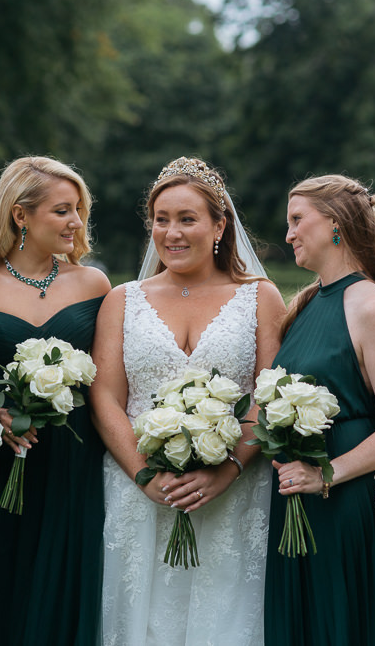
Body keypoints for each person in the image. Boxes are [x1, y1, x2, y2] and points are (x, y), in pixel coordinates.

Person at [91, 156, 286, 646]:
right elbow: (107, 398)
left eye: (187, 219)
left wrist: (228, 470)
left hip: (233, 493)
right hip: (140, 491)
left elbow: (269, 395)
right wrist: (144, 473)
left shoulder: (260, 297)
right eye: (161, 220)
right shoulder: (123, 299)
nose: (171, 233)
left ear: (220, 225)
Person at [0, 156, 111, 645]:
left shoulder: (94, 284)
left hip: (73, 463)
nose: (76, 222)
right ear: (21, 215)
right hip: (3, 461)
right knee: (2, 588)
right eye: (62, 211)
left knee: (66, 586)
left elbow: (104, 382)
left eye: (79, 210)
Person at [265, 175, 375, 645]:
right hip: (295, 496)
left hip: (342, 496)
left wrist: (326, 473)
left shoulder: (369, 304)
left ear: (334, 224)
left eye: (297, 220)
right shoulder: (309, 301)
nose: (289, 233)